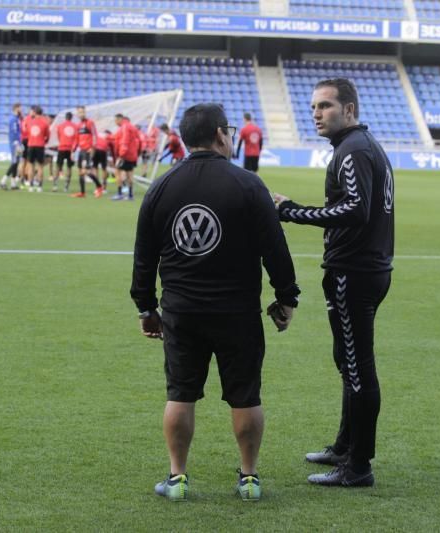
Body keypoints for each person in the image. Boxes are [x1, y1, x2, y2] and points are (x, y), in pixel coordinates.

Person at [130, 103, 300, 503]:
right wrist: (286, 297)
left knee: (180, 393)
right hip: (237, 312)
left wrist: (146, 307)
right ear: (222, 135)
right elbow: (276, 249)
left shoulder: (162, 187)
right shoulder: (249, 185)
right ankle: (249, 478)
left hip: (181, 312)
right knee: (245, 396)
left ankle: (177, 479)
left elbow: (144, 257)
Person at [273, 78, 394, 488]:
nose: (316, 114)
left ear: (350, 109)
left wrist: (289, 211)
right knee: (349, 363)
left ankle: (357, 466)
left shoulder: (353, 150)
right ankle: (345, 446)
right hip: (364, 269)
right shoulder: (360, 147)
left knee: (358, 368)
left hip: (353, 272)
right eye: (313, 108)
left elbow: (355, 210)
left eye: (325, 106)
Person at [75, 105, 104, 198]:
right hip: (81, 150)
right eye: (79, 112)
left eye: (82, 112)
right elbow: (77, 138)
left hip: (88, 150)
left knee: (86, 171)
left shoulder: (90, 123)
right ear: (77, 114)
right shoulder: (78, 125)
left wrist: (93, 147)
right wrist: (73, 150)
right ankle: (82, 192)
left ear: (85, 112)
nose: (81, 114)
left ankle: (99, 187)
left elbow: (95, 135)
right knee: (80, 171)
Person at [111, 114, 139, 201]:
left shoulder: (124, 127)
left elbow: (124, 141)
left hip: (125, 154)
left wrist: (121, 155)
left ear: (119, 119)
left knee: (117, 171)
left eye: (115, 120)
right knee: (130, 174)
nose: (115, 122)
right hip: (133, 154)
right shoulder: (132, 127)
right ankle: (130, 195)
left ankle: (120, 194)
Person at [26, 105, 50, 193]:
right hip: (40, 146)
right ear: (42, 113)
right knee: (40, 166)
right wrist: (44, 141)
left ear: (35, 113)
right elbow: (47, 136)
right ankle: (39, 186)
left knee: (30, 166)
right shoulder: (45, 123)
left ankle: (31, 186)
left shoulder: (30, 122)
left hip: (31, 145)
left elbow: (28, 133)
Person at [0, 103, 22, 190]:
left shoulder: (16, 119)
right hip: (14, 143)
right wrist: (16, 143)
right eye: (20, 108)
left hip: (17, 143)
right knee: (14, 162)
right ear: (16, 108)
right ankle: (3, 181)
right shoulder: (13, 119)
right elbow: (14, 132)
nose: (21, 109)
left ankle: (13, 184)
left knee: (16, 163)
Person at [56, 111, 78, 193]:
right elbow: (76, 138)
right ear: (71, 118)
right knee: (69, 167)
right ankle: (66, 186)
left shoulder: (60, 126)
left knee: (58, 166)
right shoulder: (75, 126)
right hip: (70, 149)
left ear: (65, 117)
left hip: (62, 147)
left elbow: (59, 136)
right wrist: (73, 149)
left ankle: (55, 185)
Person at [92, 128, 113, 192]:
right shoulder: (109, 136)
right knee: (104, 169)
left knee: (95, 168)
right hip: (103, 151)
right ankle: (103, 187)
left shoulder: (98, 134)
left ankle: (97, 187)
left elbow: (93, 141)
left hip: (95, 149)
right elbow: (112, 148)